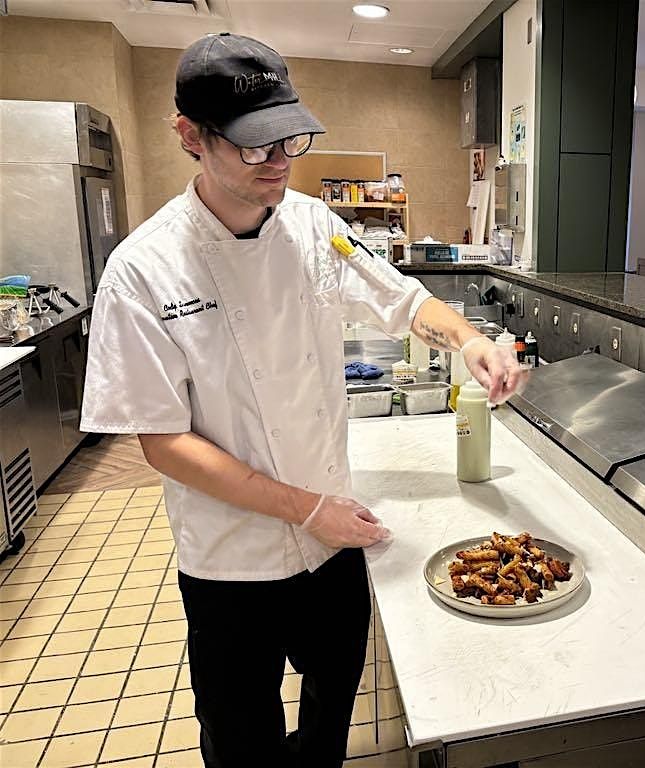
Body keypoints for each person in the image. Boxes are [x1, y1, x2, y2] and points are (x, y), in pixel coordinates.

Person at [80, 32, 524, 768]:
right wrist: (306, 507)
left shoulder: (318, 227)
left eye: (290, 138)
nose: (280, 161)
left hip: (332, 544)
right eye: (255, 147)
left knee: (329, 720)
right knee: (241, 741)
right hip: (231, 565)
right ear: (190, 135)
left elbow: (403, 301)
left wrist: (470, 342)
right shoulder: (142, 271)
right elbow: (162, 441)